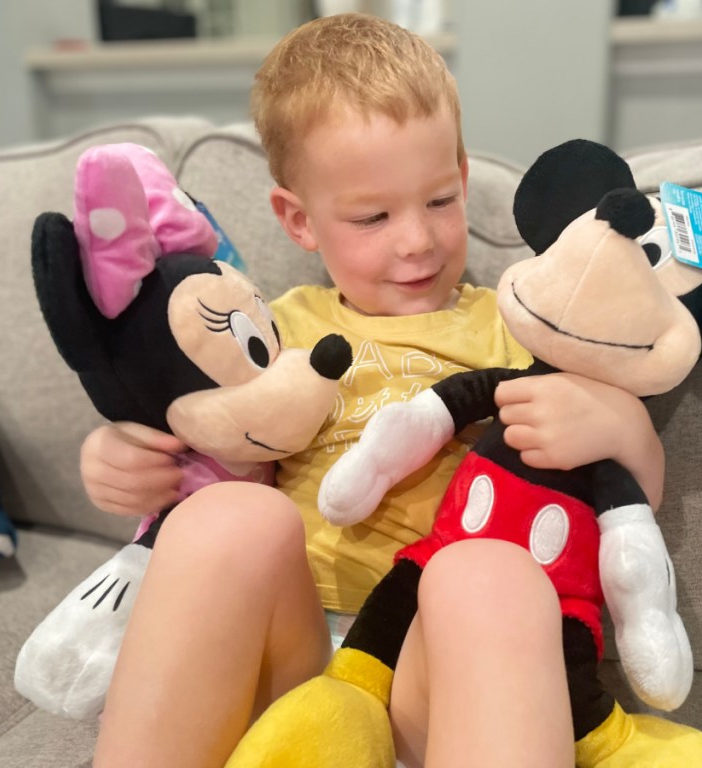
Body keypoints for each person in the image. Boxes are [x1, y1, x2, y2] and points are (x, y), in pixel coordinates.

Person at [88, 13, 665, 768]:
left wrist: (622, 426)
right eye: (372, 216)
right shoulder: (271, 332)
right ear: (298, 220)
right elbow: (196, 434)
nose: (417, 241)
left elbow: (629, 500)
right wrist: (120, 456)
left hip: (438, 671)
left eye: (437, 201)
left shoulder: (520, 324)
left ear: (462, 178)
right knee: (225, 516)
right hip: (293, 663)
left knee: (487, 573)